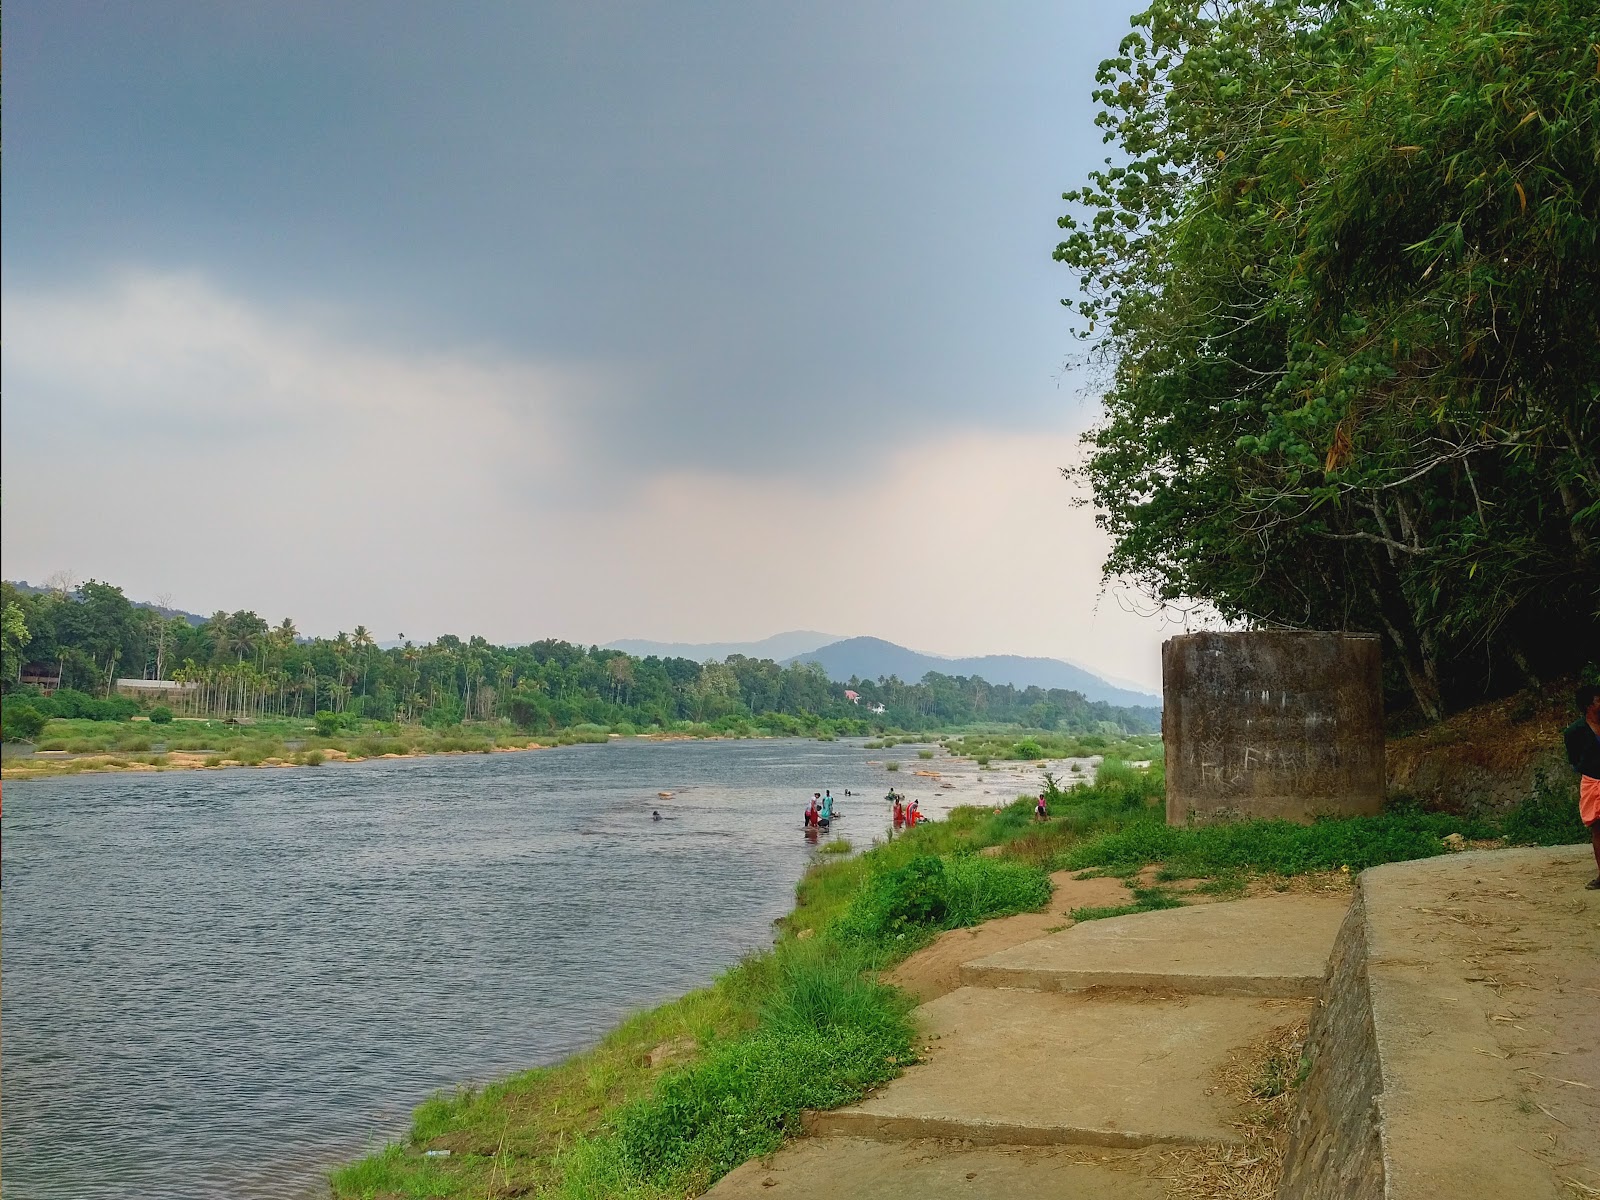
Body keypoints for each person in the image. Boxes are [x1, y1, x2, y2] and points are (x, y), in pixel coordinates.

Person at [1563, 683, 1600, 890]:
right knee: (1598, 829)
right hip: (1593, 782)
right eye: (1598, 700)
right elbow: (1574, 760)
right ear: (1589, 705)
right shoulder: (1574, 732)